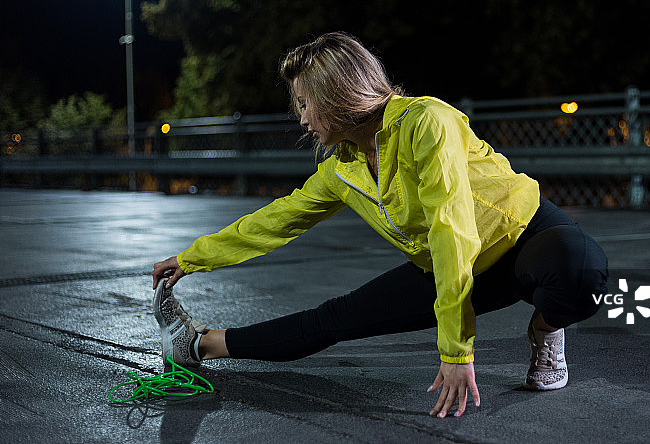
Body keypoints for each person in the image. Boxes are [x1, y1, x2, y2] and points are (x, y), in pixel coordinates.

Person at [151, 32, 609, 419]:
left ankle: (548, 326)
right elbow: (276, 220)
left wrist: (455, 351)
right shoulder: (341, 169)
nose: (302, 118)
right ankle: (200, 345)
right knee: (331, 320)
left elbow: (452, 226)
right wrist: (192, 259)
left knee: (577, 269)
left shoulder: (427, 121)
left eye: (306, 103)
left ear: (334, 96)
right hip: (446, 263)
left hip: (524, 235)